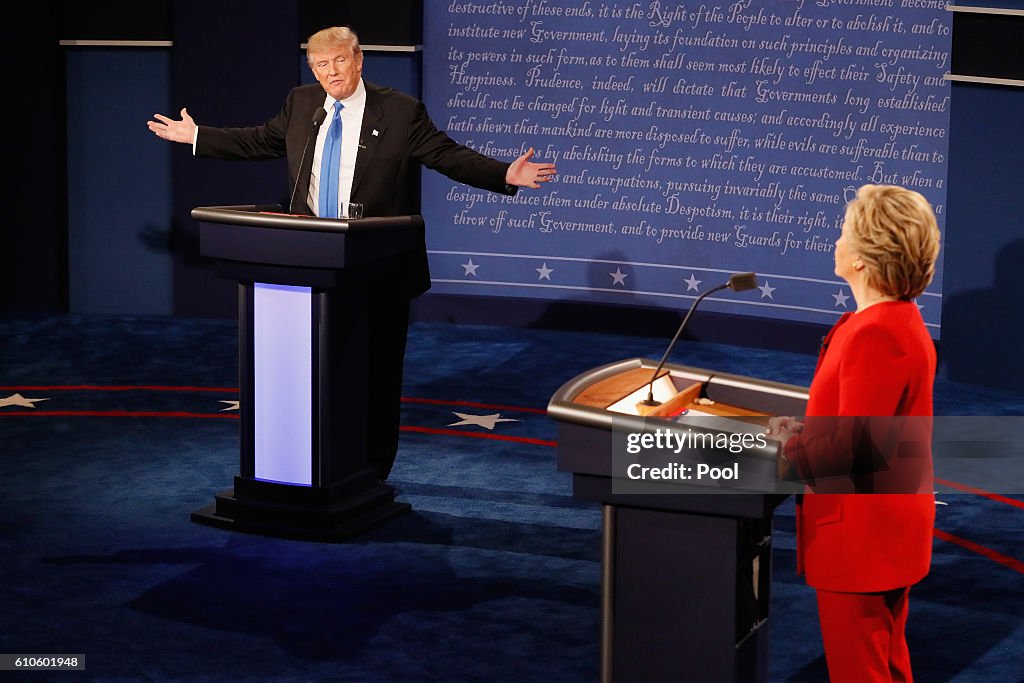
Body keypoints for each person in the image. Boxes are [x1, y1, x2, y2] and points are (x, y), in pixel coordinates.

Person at [147, 26, 557, 480]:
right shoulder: (302, 104)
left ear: (358, 61)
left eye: (339, 61)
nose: (331, 73)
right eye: (321, 65)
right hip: (307, 265)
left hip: (375, 268)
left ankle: (372, 475)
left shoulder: (400, 111)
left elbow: (447, 155)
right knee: (314, 376)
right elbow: (260, 140)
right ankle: (312, 466)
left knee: (376, 377)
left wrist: (504, 174)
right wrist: (198, 136)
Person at [766, 184, 941, 682]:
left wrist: (786, 449)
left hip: (863, 537)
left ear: (864, 258)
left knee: (860, 671)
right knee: (885, 664)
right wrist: (806, 429)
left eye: (844, 232)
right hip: (885, 532)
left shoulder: (876, 333)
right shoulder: (896, 321)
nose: (836, 241)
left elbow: (854, 448)